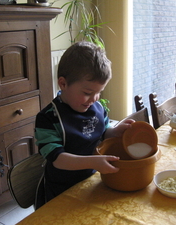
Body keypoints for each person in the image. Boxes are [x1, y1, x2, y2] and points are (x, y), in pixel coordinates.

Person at [35, 41, 134, 207]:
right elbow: (58, 159)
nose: (95, 98)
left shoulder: (97, 107)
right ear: (63, 84)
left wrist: (115, 132)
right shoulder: (48, 119)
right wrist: (93, 161)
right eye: (88, 93)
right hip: (61, 193)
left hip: (90, 183)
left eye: (99, 92)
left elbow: (102, 132)